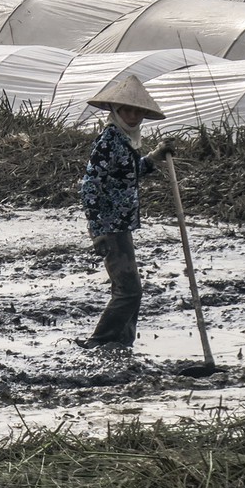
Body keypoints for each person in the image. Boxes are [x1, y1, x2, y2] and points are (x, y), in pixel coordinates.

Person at [76, 75, 175, 350]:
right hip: (110, 226)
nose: (132, 116)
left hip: (122, 224)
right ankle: (100, 341)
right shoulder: (109, 140)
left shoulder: (126, 140)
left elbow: (128, 175)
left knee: (129, 290)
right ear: (116, 111)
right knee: (129, 291)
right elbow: (90, 186)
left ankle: (122, 341)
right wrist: (97, 231)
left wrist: (155, 156)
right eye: (127, 110)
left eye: (137, 111)